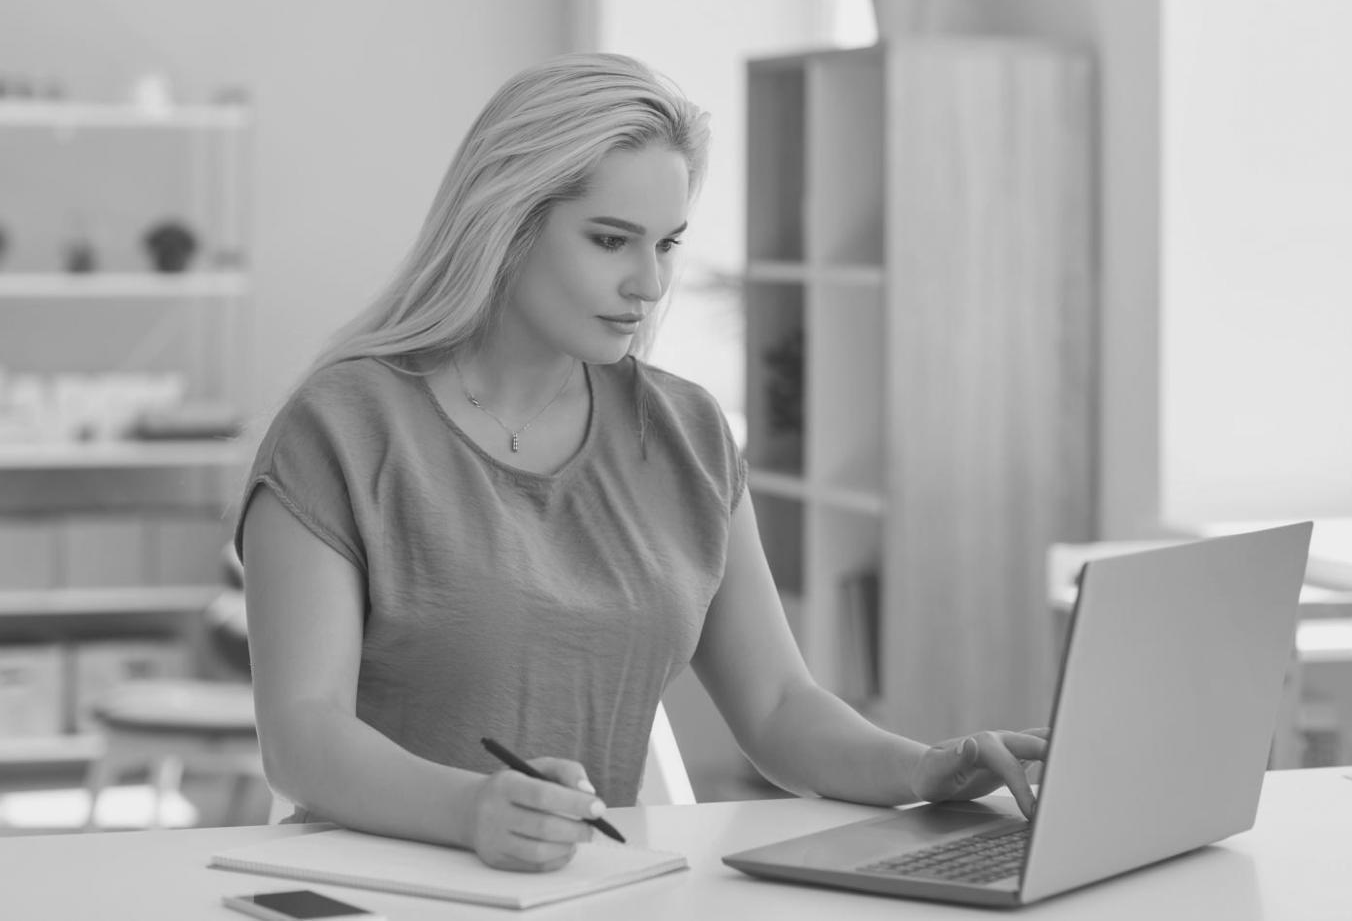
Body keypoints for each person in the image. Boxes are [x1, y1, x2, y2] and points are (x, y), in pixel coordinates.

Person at [237, 52, 1047, 873]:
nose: (650, 283)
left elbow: (776, 706)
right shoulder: (342, 428)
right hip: (377, 892)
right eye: (611, 240)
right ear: (504, 222)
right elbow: (303, 735)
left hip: (584, 894)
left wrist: (923, 769)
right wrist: (472, 809)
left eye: (667, 244)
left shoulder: (686, 432)